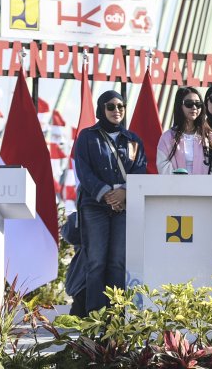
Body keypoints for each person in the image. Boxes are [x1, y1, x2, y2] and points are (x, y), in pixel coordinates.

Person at [73, 90, 148, 311]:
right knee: (96, 263)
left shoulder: (133, 140)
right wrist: (106, 193)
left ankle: (115, 318)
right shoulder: (87, 136)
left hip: (124, 207)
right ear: (101, 109)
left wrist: (125, 192)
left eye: (121, 106)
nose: (117, 111)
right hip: (95, 206)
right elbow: (83, 170)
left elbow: (140, 169)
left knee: (117, 263)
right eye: (111, 106)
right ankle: (95, 319)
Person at [156, 86, 212, 175]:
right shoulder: (167, 137)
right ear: (179, 106)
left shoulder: (210, 136)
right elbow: (163, 166)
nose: (194, 107)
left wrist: (207, 185)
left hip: (204, 188)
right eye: (189, 103)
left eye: (198, 104)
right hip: (176, 187)